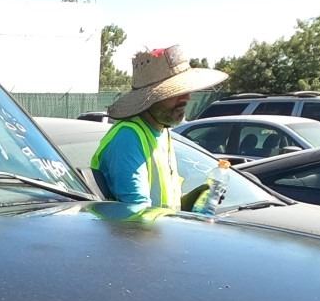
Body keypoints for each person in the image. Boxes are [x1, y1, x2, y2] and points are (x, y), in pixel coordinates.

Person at [92, 46, 226, 219]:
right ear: (151, 99)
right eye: (176, 92)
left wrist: (191, 202)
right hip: (143, 236)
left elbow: (161, 205)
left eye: (185, 90)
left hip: (160, 233)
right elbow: (137, 216)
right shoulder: (128, 137)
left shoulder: (161, 130)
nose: (186, 98)